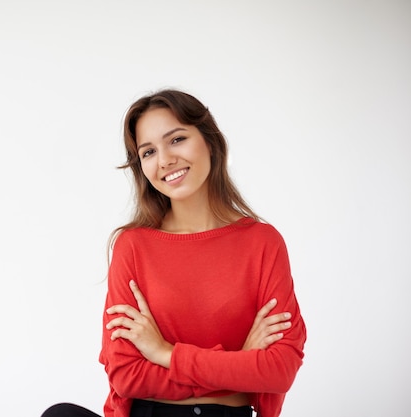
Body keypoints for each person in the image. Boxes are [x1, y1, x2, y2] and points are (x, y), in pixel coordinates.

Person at [41, 90, 306, 417]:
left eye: (177, 139)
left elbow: (280, 370)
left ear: (209, 141)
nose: (164, 160)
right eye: (149, 151)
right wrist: (238, 367)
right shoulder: (133, 246)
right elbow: (126, 375)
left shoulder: (262, 243)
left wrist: (166, 354)